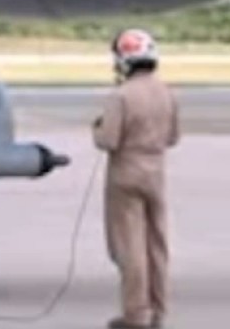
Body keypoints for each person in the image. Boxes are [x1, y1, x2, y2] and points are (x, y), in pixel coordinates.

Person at [92, 29, 181, 329]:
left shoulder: (122, 95)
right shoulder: (167, 92)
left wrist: (97, 127)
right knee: (157, 244)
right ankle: (159, 311)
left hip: (125, 174)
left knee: (130, 248)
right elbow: (173, 137)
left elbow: (108, 140)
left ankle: (135, 315)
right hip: (155, 173)